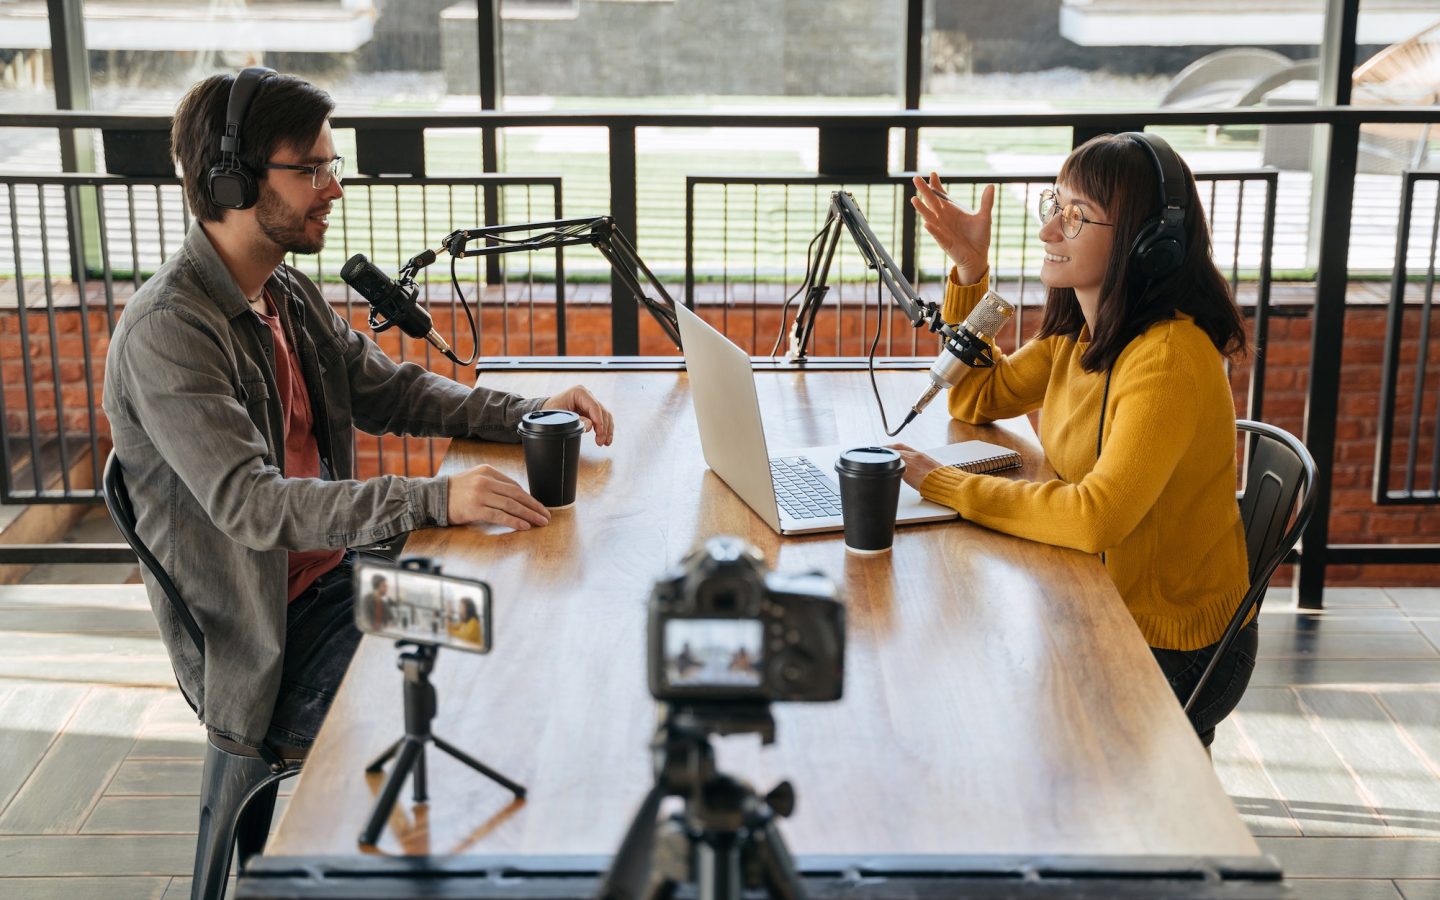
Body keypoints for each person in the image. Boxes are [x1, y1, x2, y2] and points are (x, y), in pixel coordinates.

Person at [103, 69, 615, 754]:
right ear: (234, 181)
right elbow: (256, 507)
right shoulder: (169, 331)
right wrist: (436, 498)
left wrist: (525, 412)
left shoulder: (283, 290)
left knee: (522, 638)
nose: (334, 189)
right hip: (274, 652)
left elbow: (391, 390)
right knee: (480, 722)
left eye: (329, 166)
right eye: (310, 171)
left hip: (350, 587)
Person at [893, 133, 1252, 748]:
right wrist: (969, 271)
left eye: (1077, 215)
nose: (1048, 231)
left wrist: (944, 483)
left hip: (1173, 644)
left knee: (983, 708)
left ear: (1149, 245)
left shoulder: (1166, 359)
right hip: (1101, 598)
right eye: (1054, 204)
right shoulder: (1081, 335)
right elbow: (976, 397)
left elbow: (1095, 518)